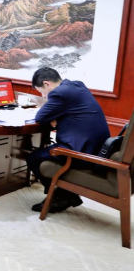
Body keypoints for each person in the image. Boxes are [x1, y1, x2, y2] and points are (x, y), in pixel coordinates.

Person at [27, 67, 110, 213]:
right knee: (43, 152)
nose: (44, 96)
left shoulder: (59, 93)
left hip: (82, 152)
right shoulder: (77, 85)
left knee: (34, 158)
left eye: (41, 92)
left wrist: (53, 115)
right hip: (98, 148)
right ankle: (65, 194)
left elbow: (40, 117)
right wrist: (56, 116)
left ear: (47, 84)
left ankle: (59, 197)